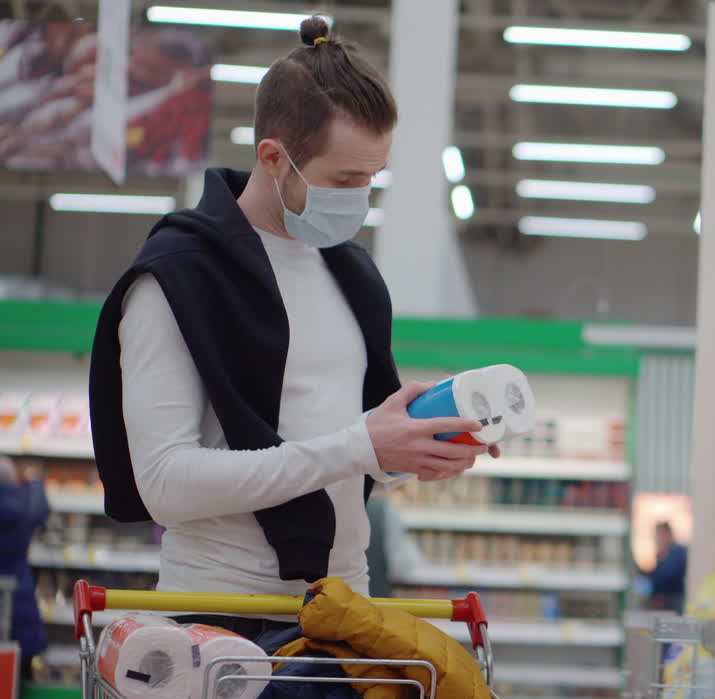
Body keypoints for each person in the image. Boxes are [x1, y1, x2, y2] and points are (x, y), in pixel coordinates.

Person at [88, 16, 492, 639]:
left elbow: (343, 451)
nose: (361, 198)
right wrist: (359, 446)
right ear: (273, 158)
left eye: (372, 178)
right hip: (222, 620)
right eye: (344, 180)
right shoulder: (178, 277)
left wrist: (414, 451)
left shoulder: (353, 275)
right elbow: (164, 484)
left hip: (345, 609)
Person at [0, 456, 49, 682]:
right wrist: (34, 480)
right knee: (19, 674)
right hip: (19, 596)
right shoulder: (26, 503)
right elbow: (41, 508)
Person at [647, 521, 687, 613]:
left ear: (667, 533)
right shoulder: (662, 553)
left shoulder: (678, 551)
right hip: (661, 600)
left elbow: (671, 574)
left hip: (673, 598)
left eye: (658, 534)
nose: (657, 538)